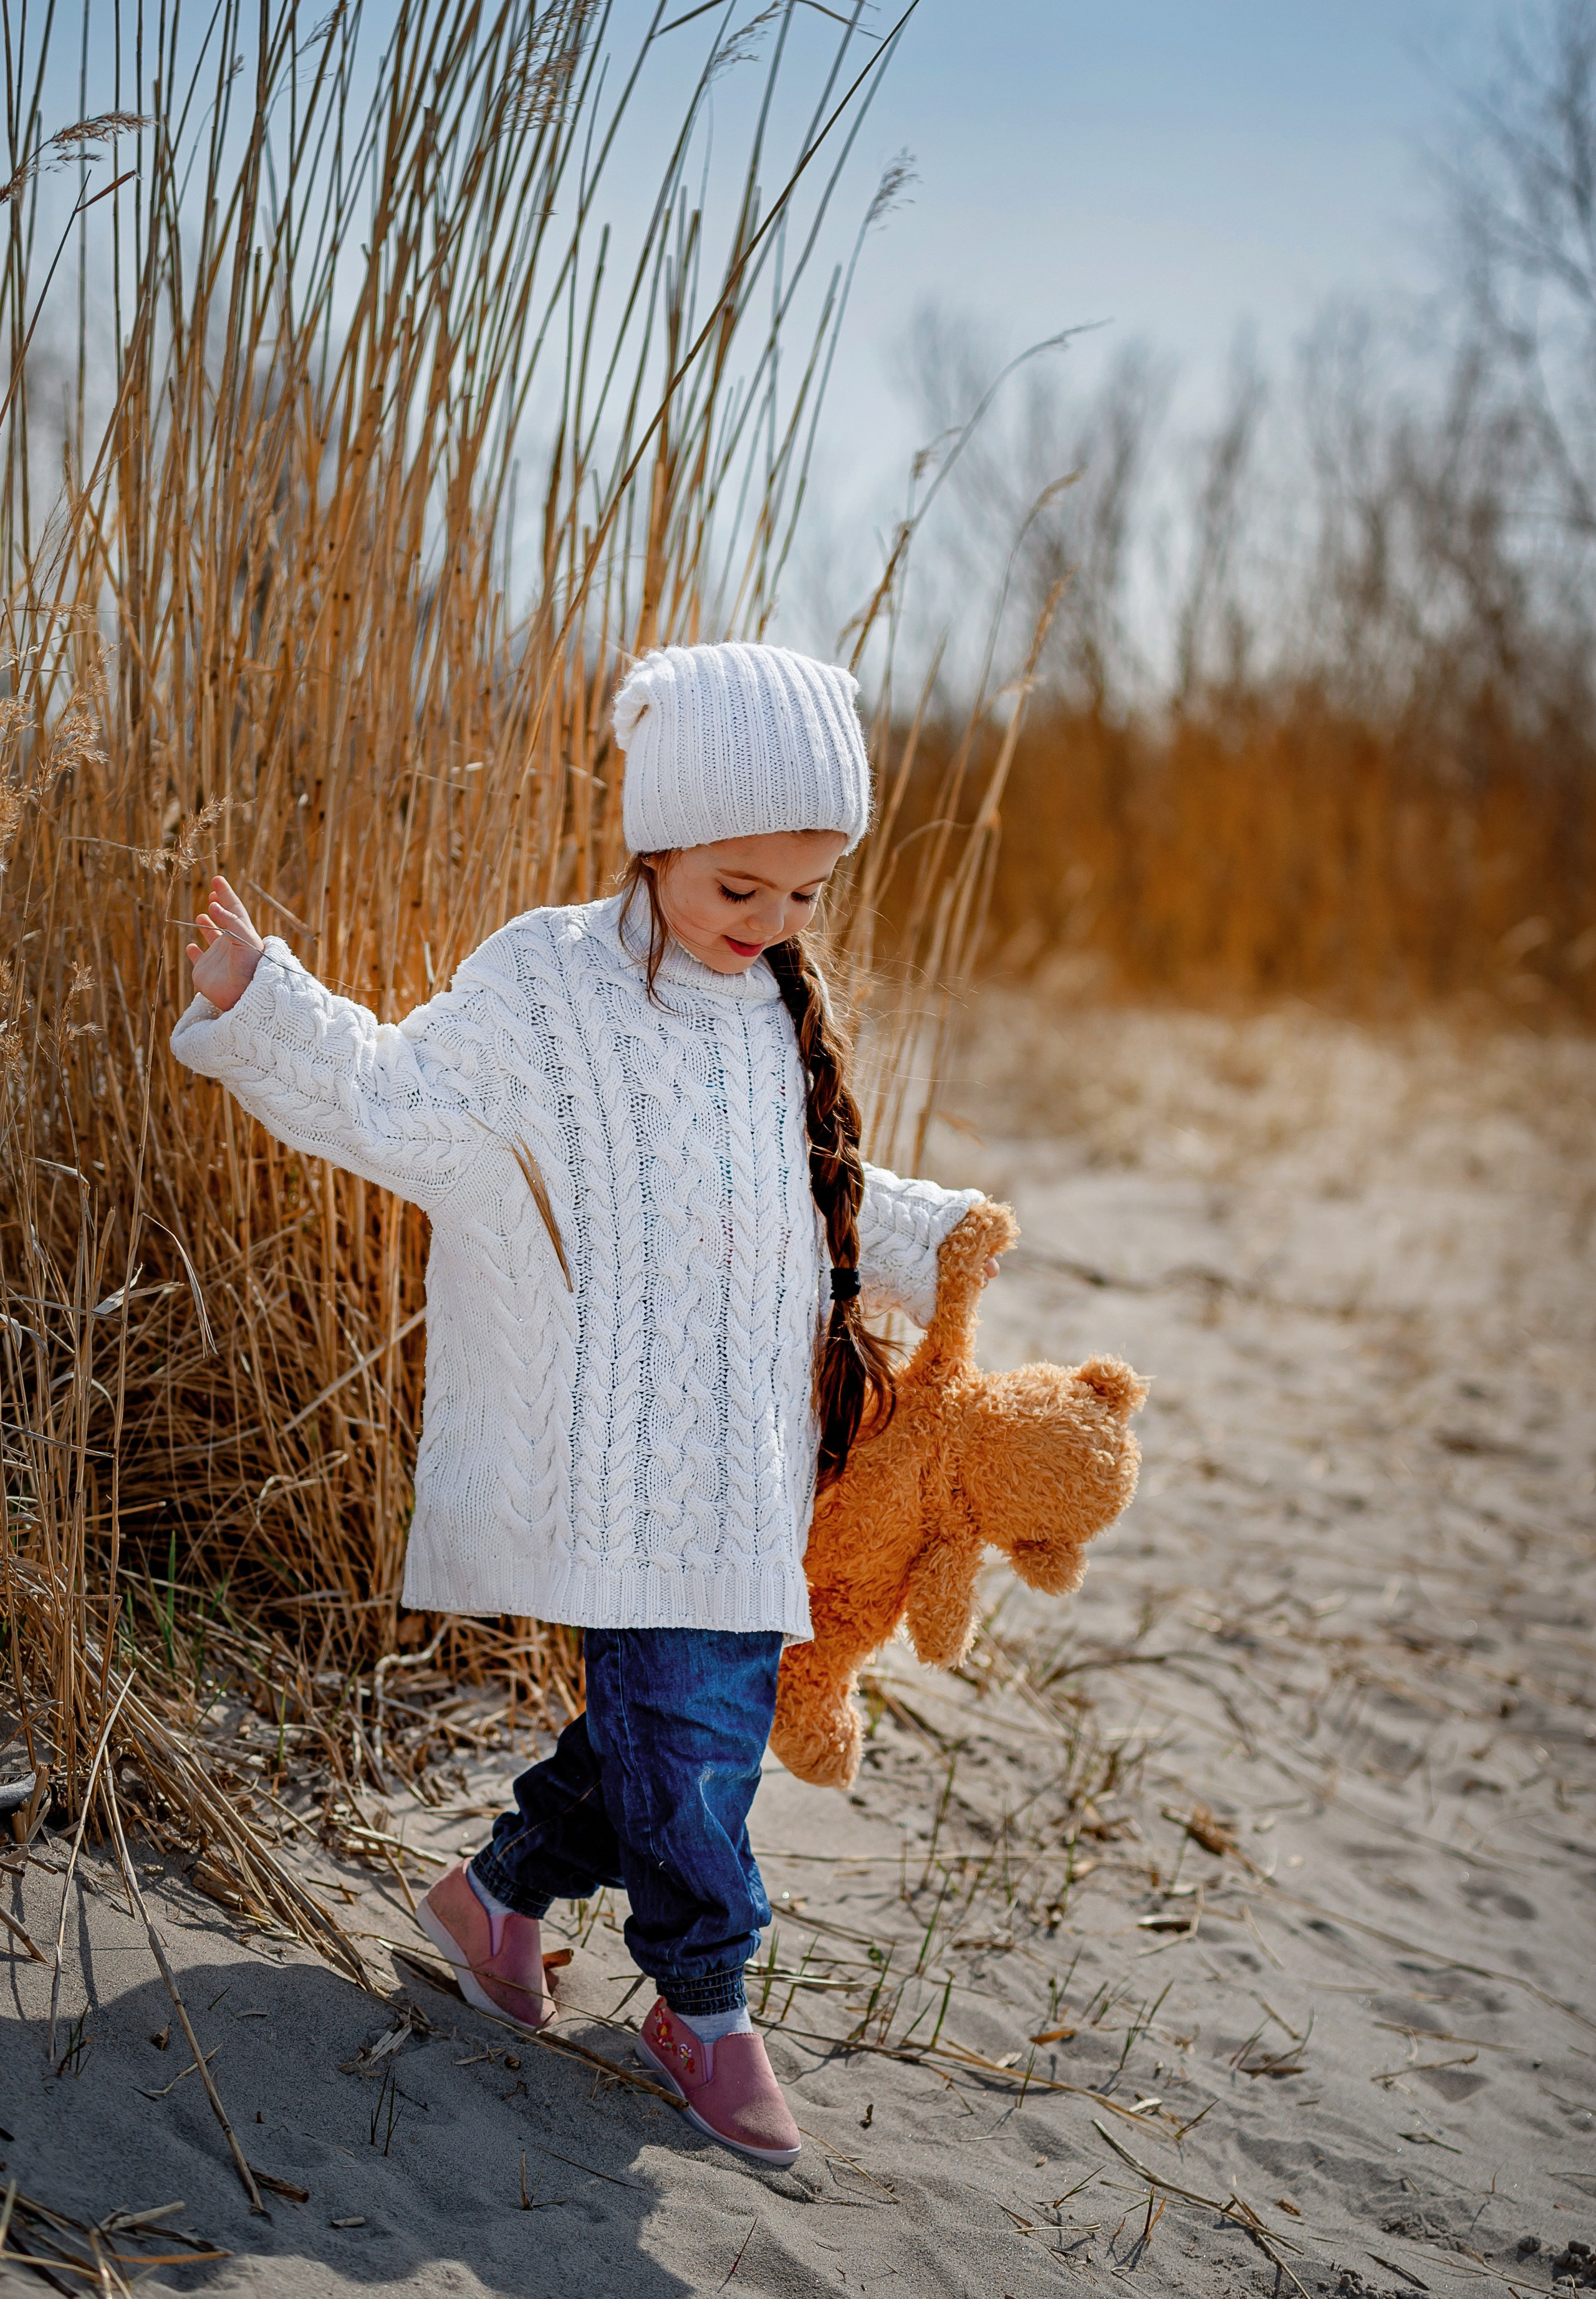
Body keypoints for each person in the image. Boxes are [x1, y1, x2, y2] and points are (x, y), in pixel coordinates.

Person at [172, 640, 989, 2167]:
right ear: (660, 837)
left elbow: (810, 1194)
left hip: (745, 1467)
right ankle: (704, 1999)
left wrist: (929, 1234)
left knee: (683, 1731)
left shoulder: (769, 1016)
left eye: (805, 894)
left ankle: (492, 1896)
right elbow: (397, 1099)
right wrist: (261, 1000)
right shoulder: (547, 983)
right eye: (738, 888)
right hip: (615, 1468)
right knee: (689, 1739)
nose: (773, 925)